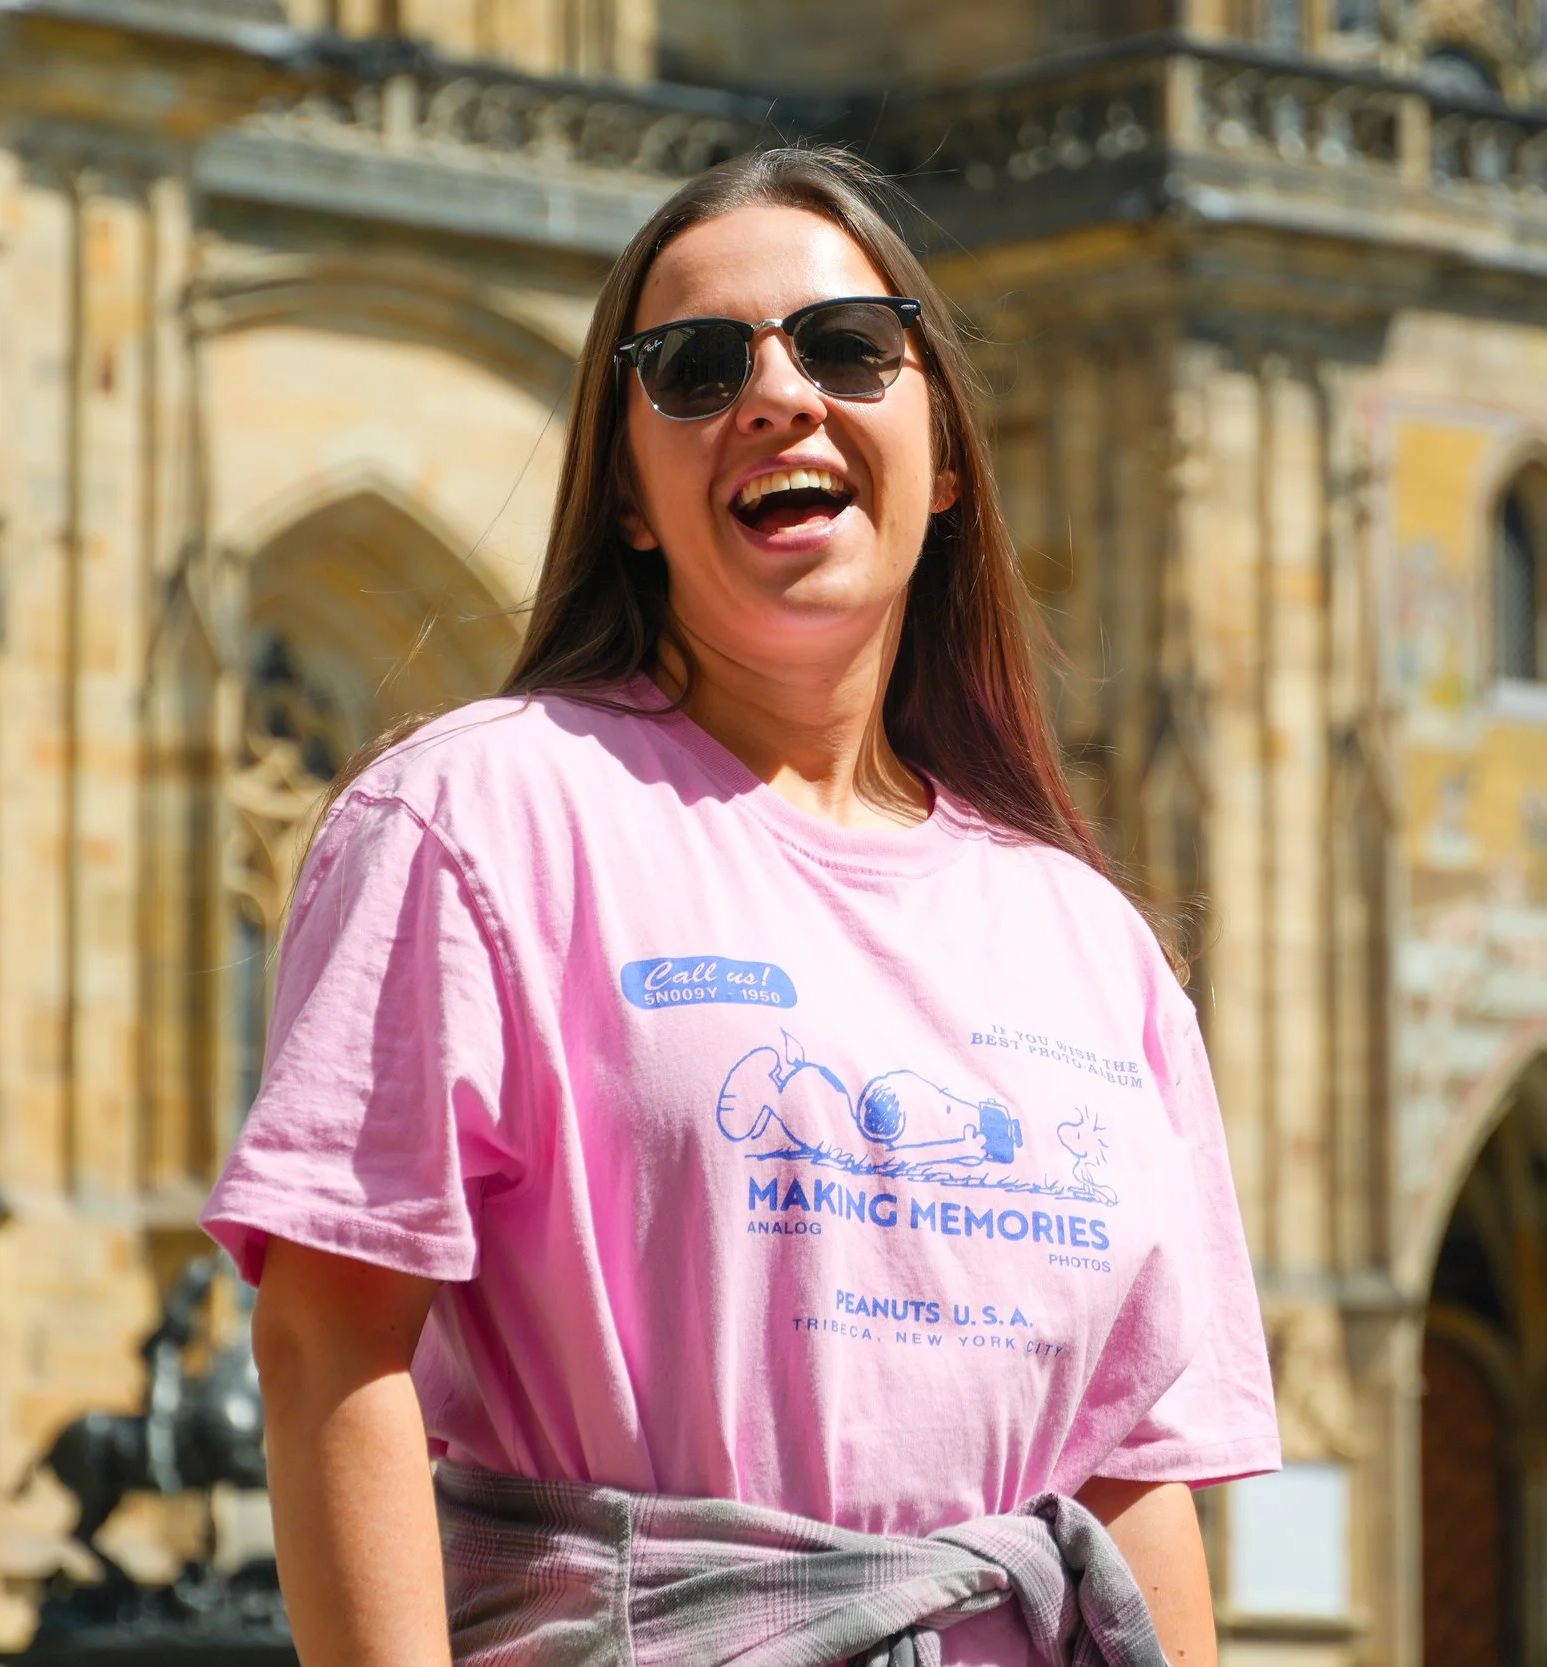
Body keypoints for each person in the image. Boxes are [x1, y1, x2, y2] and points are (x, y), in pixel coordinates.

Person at [201, 146, 1279, 1667]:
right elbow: (327, 1344)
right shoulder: (479, 817)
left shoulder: (1090, 944)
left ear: (948, 456)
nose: (779, 392)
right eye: (696, 369)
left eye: (849, 346)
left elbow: (1128, 1485)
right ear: (630, 499)